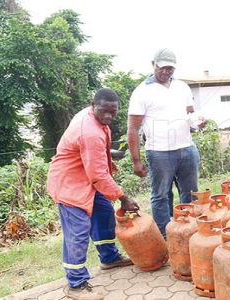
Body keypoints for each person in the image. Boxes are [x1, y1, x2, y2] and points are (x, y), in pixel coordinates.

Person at [47, 88, 139, 299]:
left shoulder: (94, 119)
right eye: (103, 110)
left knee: (104, 213)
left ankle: (109, 259)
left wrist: (108, 154)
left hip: (86, 179)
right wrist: (123, 198)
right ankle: (76, 284)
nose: (108, 115)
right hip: (70, 183)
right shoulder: (89, 131)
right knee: (78, 232)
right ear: (93, 105)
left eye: (113, 111)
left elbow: (93, 153)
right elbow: (97, 173)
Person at [127, 48, 203, 237]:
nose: (167, 72)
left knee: (191, 193)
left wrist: (198, 123)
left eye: (171, 68)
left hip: (186, 148)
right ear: (153, 64)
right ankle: (165, 236)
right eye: (163, 68)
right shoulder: (141, 92)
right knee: (161, 195)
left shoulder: (182, 87)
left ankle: (190, 231)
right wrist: (136, 161)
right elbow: (133, 129)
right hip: (159, 152)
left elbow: (190, 115)